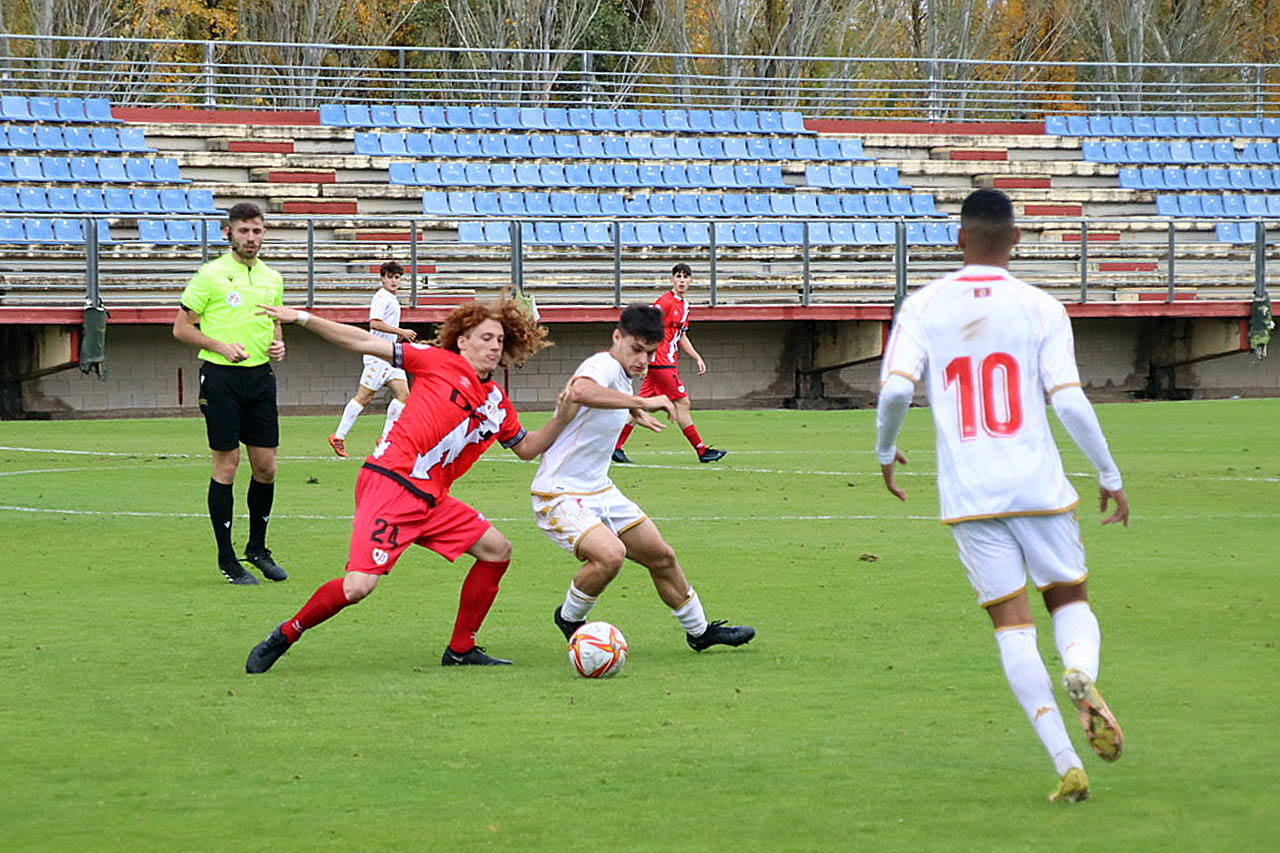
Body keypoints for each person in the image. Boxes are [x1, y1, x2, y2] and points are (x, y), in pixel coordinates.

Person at [874, 189, 1127, 803]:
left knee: (1011, 625)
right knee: (1068, 596)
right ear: (1015, 240)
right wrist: (1109, 474)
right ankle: (1081, 673)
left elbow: (894, 393)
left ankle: (1067, 762)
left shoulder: (923, 305)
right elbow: (1067, 399)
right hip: (1038, 484)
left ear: (959, 240)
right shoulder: (1041, 306)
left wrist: (885, 452)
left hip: (970, 495)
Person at [245, 298, 575, 673]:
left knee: (497, 550)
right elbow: (363, 342)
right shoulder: (438, 361)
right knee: (358, 588)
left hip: (432, 499)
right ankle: (287, 632)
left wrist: (562, 418)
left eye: (500, 339)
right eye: (485, 337)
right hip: (391, 484)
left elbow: (527, 449)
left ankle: (461, 649)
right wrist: (303, 318)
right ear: (463, 342)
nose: (494, 345)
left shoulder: (498, 403)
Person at [537, 303, 755, 653]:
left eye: (649, 353)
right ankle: (570, 618)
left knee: (662, 556)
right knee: (611, 556)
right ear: (617, 336)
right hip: (559, 493)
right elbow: (580, 391)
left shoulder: (620, 376)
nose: (642, 360)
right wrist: (641, 401)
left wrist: (630, 406)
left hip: (599, 489)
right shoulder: (602, 364)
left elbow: (602, 398)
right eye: (636, 349)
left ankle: (699, 632)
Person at [172, 201, 289, 586]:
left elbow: (274, 324)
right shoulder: (210, 275)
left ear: (264, 233)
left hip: (260, 377)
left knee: (266, 466)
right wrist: (220, 346)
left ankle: (257, 548)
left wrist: (278, 344)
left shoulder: (273, 277)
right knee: (228, 463)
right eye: (243, 231)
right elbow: (181, 329)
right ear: (229, 233)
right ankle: (227, 558)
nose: (251, 238)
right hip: (221, 377)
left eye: (257, 231)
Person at [612, 263, 726, 464]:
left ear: (691, 281)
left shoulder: (685, 306)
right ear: (672, 280)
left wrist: (697, 357)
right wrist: (643, 357)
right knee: (683, 402)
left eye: (685, 277)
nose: (682, 280)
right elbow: (646, 326)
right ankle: (701, 450)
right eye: (678, 276)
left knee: (639, 405)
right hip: (662, 363)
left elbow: (680, 337)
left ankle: (615, 447)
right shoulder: (664, 302)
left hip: (663, 363)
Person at [328, 261, 417, 457]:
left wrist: (397, 337)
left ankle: (385, 439)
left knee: (404, 395)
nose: (394, 281)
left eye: (397, 277)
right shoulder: (381, 297)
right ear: (382, 277)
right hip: (377, 355)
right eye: (390, 277)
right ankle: (339, 436)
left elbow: (385, 326)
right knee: (364, 397)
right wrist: (400, 330)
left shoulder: (392, 299)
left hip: (390, 354)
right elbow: (375, 323)